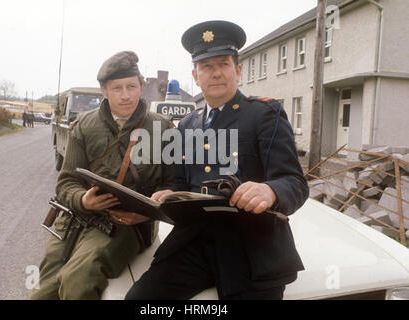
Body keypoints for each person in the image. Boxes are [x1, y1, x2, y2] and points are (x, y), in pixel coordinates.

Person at [126, 21, 309, 300]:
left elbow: (294, 182)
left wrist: (270, 191)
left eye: (223, 64)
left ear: (237, 70)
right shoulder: (187, 125)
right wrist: (170, 194)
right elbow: (182, 182)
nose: (216, 73)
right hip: (194, 242)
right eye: (206, 66)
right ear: (195, 75)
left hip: (251, 246)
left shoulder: (264, 115)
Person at [31, 51, 175, 300]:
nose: (126, 95)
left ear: (142, 86)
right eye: (116, 88)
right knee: (44, 292)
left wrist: (157, 201)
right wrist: (82, 200)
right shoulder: (85, 125)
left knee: (78, 282)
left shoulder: (162, 128)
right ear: (104, 91)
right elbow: (67, 182)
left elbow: (173, 183)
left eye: (132, 86)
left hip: (128, 225)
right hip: (78, 218)